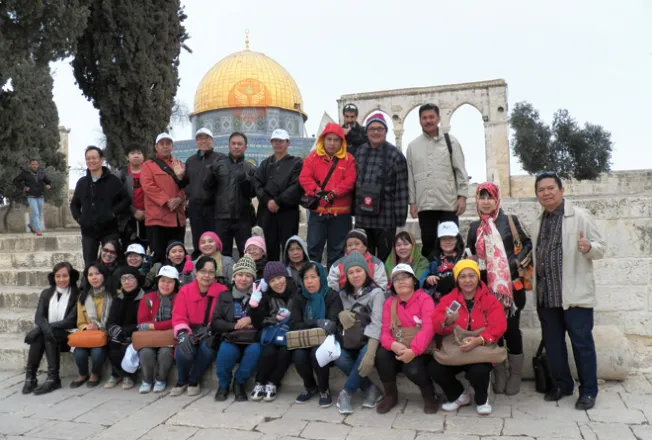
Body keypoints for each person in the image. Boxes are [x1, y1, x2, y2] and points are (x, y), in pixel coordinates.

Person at [532, 172, 605, 410]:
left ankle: (588, 391)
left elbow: (601, 247)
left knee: (582, 345)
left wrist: (588, 247)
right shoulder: (537, 222)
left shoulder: (580, 216)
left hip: (575, 296)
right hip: (547, 296)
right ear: (537, 195)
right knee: (554, 345)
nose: (546, 193)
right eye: (541, 190)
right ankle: (563, 385)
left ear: (561, 190)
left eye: (551, 188)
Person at [466, 182, 533, 395]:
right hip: (485, 290)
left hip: (511, 287)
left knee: (512, 329)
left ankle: (515, 373)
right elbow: (470, 255)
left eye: (489, 197)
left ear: (497, 200)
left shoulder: (510, 221)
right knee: (493, 331)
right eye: (481, 197)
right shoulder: (474, 227)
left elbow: (528, 245)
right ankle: (499, 372)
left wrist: (512, 265)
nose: (486, 202)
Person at [429, 260, 507, 416]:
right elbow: (436, 324)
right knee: (435, 368)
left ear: (478, 278)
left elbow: (499, 326)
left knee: (479, 370)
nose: (467, 280)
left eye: (472, 276)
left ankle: (482, 399)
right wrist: (447, 322)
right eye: (462, 276)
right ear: (457, 280)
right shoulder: (448, 300)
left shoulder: (489, 299)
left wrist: (479, 340)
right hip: (456, 348)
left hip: (480, 347)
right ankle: (458, 395)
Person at [406, 104, 469, 259]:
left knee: (452, 242)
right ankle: (431, 278)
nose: (428, 121)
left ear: (438, 118)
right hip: (425, 204)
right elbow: (410, 176)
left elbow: (460, 170)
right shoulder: (413, 146)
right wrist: (412, 202)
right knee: (428, 243)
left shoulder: (451, 142)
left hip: (448, 203)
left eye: (431, 117)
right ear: (420, 121)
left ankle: (454, 275)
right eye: (424, 118)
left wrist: (462, 196)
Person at [377, 264, 437, 414]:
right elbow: (385, 331)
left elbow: (428, 328)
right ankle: (390, 395)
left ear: (414, 281)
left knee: (412, 368)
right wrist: (392, 345)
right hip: (398, 344)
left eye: (405, 277)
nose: (401, 281)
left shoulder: (424, 299)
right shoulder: (390, 303)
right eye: (396, 279)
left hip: (420, 347)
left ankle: (429, 395)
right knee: (381, 356)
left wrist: (413, 350)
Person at [334, 251, 385, 414]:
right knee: (338, 356)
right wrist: (340, 314)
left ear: (366, 271)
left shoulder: (376, 293)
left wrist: (370, 353)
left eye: (359, 271)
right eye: (351, 272)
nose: (355, 275)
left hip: (369, 340)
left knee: (364, 355)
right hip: (350, 340)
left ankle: (346, 393)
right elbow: (337, 316)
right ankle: (370, 388)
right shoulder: (343, 294)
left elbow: (377, 323)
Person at [299, 123, 356, 269]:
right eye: (329, 139)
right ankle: (313, 281)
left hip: (341, 214)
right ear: (323, 140)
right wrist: (316, 190)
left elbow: (350, 180)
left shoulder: (349, 159)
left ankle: (333, 285)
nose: (332, 143)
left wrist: (334, 193)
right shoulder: (312, 158)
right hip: (318, 212)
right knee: (313, 249)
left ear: (341, 142)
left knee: (337, 252)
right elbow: (304, 177)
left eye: (336, 140)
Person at [354, 113, 408, 261]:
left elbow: (402, 188)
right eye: (372, 128)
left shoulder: (395, 155)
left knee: (385, 258)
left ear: (385, 131)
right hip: (362, 217)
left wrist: (400, 219)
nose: (375, 132)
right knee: (363, 258)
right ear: (366, 132)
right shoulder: (360, 152)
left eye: (380, 128)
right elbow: (355, 183)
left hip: (386, 218)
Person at [171, 256, 227, 396]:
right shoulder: (185, 290)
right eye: (203, 271)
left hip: (210, 331)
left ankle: (194, 380)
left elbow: (225, 315)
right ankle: (182, 380)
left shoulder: (222, 290)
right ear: (196, 272)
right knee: (184, 350)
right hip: (190, 329)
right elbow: (178, 315)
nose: (207, 276)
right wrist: (183, 333)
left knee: (208, 348)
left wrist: (211, 328)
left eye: (211, 272)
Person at [291, 262, 343, 408]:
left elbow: (332, 323)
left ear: (321, 278)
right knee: (299, 355)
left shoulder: (331, 295)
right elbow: (295, 324)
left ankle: (324, 389)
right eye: (306, 278)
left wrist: (320, 324)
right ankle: (310, 387)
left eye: (313, 277)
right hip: (304, 339)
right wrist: (317, 322)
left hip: (326, 340)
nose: (309, 281)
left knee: (317, 353)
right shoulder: (300, 296)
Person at [22, 262, 80, 395]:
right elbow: (39, 317)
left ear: (71, 276)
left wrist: (41, 329)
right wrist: (42, 329)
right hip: (52, 333)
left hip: (68, 334)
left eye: (65, 276)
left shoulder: (77, 294)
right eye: (58, 276)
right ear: (53, 277)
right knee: (41, 335)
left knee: (45, 333)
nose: (61, 280)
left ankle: (53, 378)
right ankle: (30, 377)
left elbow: (70, 321)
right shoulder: (47, 293)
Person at [211, 255, 262, 401]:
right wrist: (234, 326)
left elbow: (265, 319)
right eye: (240, 274)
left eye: (248, 275)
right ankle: (223, 385)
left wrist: (252, 316)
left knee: (255, 351)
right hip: (231, 336)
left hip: (251, 338)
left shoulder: (259, 296)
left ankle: (239, 382)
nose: (243, 279)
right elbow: (215, 322)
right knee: (226, 352)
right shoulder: (224, 296)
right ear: (234, 277)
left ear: (253, 279)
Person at [71, 146, 130, 267]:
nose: (90, 161)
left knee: (112, 262)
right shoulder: (82, 182)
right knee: (89, 264)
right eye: (88, 159)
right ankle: (88, 285)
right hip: (88, 232)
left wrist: (112, 213)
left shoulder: (113, 180)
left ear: (101, 159)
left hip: (109, 230)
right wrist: (80, 219)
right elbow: (74, 204)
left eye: (94, 158)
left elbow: (125, 200)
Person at [248, 261, 297, 402]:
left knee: (285, 352)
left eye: (280, 278)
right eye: (273, 280)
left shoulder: (295, 292)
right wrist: (254, 307)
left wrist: (289, 317)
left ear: (285, 277)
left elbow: (300, 314)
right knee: (269, 351)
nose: (278, 283)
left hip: (289, 333)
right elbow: (258, 322)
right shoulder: (266, 296)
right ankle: (260, 382)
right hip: (271, 333)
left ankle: (273, 383)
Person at [204, 132, 258, 258]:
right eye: (233, 143)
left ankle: (246, 277)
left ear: (245, 147)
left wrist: (245, 179)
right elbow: (207, 188)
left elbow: (253, 193)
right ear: (229, 146)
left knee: (246, 253)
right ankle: (223, 278)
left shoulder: (250, 168)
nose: (236, 146)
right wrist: (209, 172)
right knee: (222, 254)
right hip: (221, 217)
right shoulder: (218, 166)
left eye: (240, 144)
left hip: (243, 218)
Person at [254, 129, 303, 261]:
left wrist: (278, 201)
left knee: (289, 246)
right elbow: (257, 184)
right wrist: (268, 200)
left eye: (281, 141)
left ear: (287, 143)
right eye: (275, 141)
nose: (277, 144)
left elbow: (295, 186)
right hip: (267, 212)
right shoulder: (265, 164)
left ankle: (288, 277)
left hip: (287, 212)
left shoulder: (296, 163)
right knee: (269, 247)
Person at [141, 133, 187, 264]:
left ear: (172, 146)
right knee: (158, 257)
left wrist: (179, 199)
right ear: (156, 147)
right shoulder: (148, 165)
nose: (165, 147)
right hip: (157, 220)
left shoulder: (179, 164)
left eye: (168, 144)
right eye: (162, 144)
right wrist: (167, 201)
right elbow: (148, 186)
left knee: (178, 257)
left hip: (177, 219)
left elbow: (187, 186)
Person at [136, 265, 180, 394]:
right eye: (163, 281)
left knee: (166, 352)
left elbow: (176, 321)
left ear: (175, 283)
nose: (165, 285)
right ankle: (147, 380)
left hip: (168, 338)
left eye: (170, 281)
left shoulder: (178, 298)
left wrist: (154, 326)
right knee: (145, 352)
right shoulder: (148, 297)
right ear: (157, 281)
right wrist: (157, 326)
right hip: (149, 337)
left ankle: (161, 379)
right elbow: (142, 322)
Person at [70, 263, 113, 388]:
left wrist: (99, 327)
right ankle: (83, 374)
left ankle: (95, 374)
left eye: (97, 274)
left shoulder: (113, 295)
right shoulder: (83, 297)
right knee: (79, 351)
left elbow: (114, 319)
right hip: (88, 333)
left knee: (97, 351)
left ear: (104, 275)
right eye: (90, 275)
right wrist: (86, 327)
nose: (94, 277)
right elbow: (80, 322)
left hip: (106, 333)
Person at [104, 266, 145, 390]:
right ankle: (116, 374)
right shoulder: (118, 299)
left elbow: (144, 322)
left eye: (130, 278)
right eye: (123, 279)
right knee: (112, 344)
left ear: (137, 280)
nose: (127, 282)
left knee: (128, 346)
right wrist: (116, 330)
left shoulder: (144, 298)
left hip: (138, 333)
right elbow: (110, 321)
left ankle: (129, 375)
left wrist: (126, 331)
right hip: (120, 333)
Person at [184, 128, 220, 259]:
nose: (203, 141)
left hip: (213, 206)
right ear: (196, 142)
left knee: (213, 239)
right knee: (198, 239)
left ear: (212, 141)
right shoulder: (191, 161)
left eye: (206, 138)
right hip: (195, 206)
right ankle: (198, 267)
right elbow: (186, 182)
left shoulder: (219, 158)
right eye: (200, 138)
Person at [420, 222, 466, 303]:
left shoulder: (464, 258)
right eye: (444, 239)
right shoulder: (433, 258)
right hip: (437, 302)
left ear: (457, 240)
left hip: (460, 300)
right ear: (439, 241)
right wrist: (428, 279)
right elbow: (422, 279)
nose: (447, 242)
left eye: (451, 238)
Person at [115, 144, 148, 250]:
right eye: (132, 153)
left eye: (139, 153)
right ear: (127, 157)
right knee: (129, 248)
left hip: (149, 216)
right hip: (127, 218)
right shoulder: (121, 174)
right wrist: (134, 211)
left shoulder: (150, 172)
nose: (136, 156)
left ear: (143, 156)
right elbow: (118, 198)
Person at [13, 159, 51, 236]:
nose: (34, 165)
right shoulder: (25, 173)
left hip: (40, 195)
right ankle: (38, 230)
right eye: (32, 164)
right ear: (30, 165)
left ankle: (31, 225)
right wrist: (24, 187)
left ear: (38, 165)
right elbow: (16, 180)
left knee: (39, 213)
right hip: (31, 196)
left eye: (36, 164)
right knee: (36, 212)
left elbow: (47, 181)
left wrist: (48, 185)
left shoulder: (42, 173)